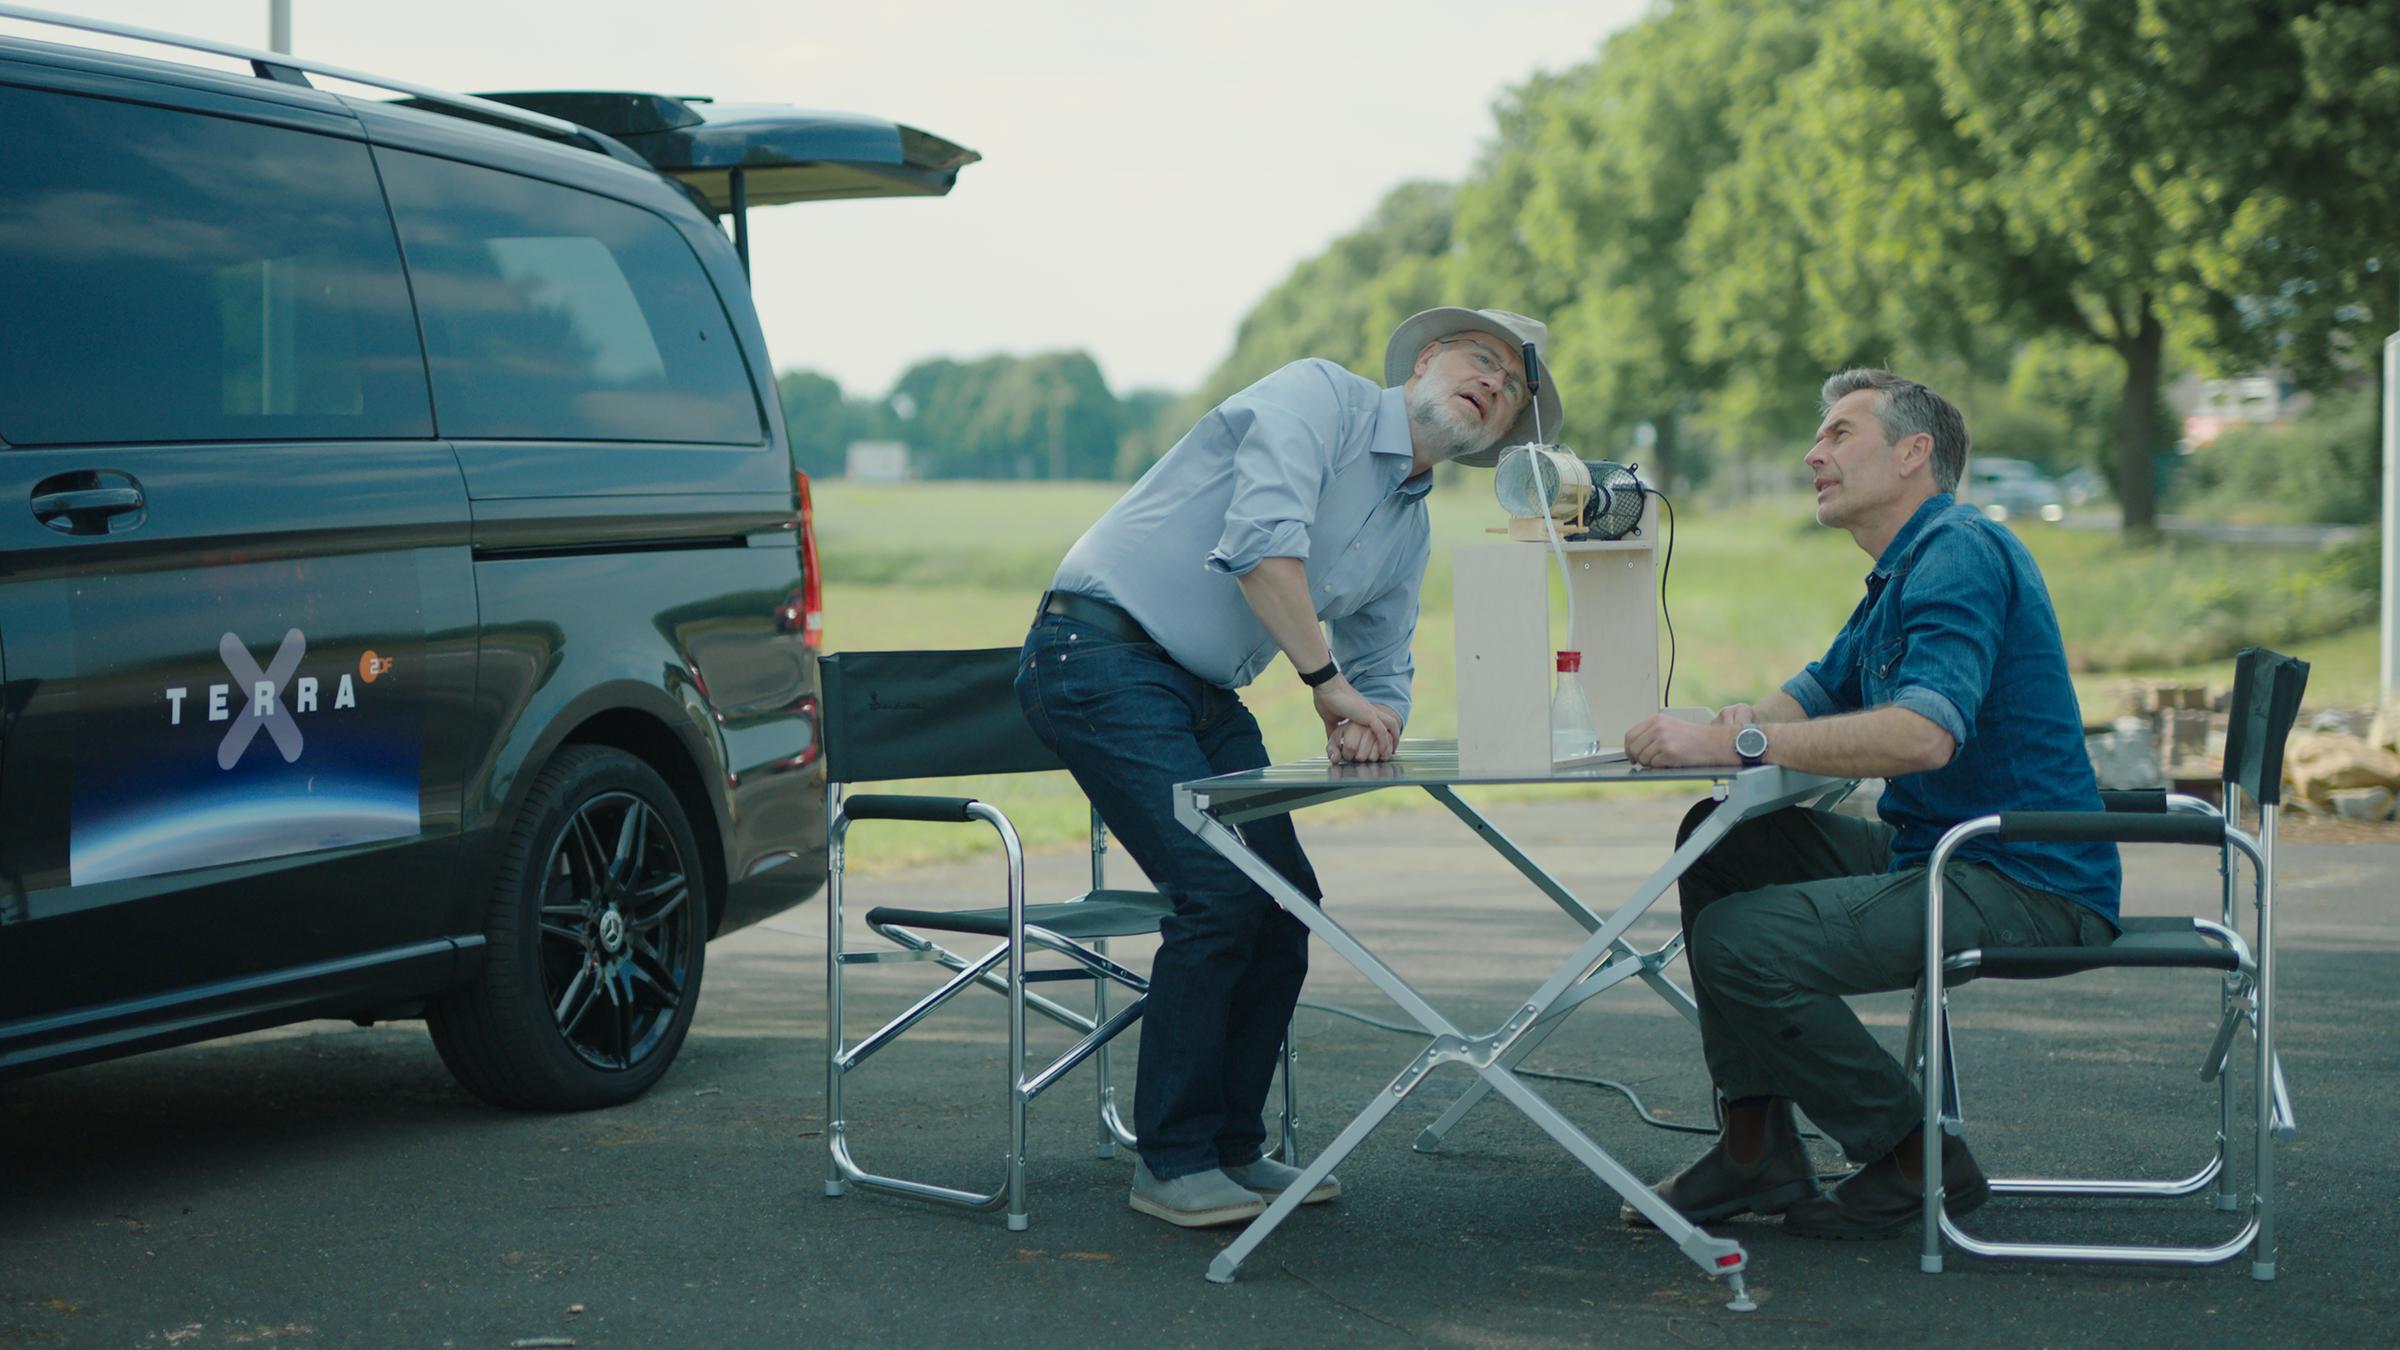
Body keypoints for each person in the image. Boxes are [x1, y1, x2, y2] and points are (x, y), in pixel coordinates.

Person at [1015, 308, 1563, 1228]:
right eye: (1482, 360)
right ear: (1427, 359)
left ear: (1503, 433)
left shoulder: (1409, 526)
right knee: (1217, 895)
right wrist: (1325, 685)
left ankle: (1231, 1146)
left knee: (1284, 900)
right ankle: (1172, 1161)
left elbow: (1383, 663)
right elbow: (1260, 547)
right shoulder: (1319, 398)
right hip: (1096, 655)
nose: (1494, 385)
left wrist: (1374, 720)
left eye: (1512, 389)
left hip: (1201, 692)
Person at [1618, 368, 2120, 1239]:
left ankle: (1913, 1155)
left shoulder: (1960, 549)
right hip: (1944, 853)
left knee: (1741, 940)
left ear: (1913, 453)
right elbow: (1807, 697)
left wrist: (1740, 744)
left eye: (1840, 434)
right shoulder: (1900, 573)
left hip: (2026, 878)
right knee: (1721, 842)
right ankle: (1755, 1148)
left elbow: (1924, 735)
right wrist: (1718, 725)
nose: (1814, 454)